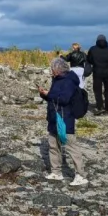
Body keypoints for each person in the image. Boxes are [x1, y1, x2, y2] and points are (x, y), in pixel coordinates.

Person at [39, 57, 88, 187]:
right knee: (53, 145)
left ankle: (80, 175)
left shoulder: (69, 81)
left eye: (52, 69)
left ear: (58, 69)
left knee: (71, 147)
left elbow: (64, 99)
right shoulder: (57, 79)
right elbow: (53, 98)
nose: (51, 71)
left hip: (65, 118)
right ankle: (56, 172)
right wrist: (45, 94)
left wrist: (49, 94)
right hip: (54, 118)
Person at [87, 34, 108, 115]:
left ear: (97, 41)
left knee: (97, 91)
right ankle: (107, 109)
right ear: (105, 41)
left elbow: (89, 60)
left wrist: (95, 63)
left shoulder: (92, 49)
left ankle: (99, 107)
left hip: (97, 72)